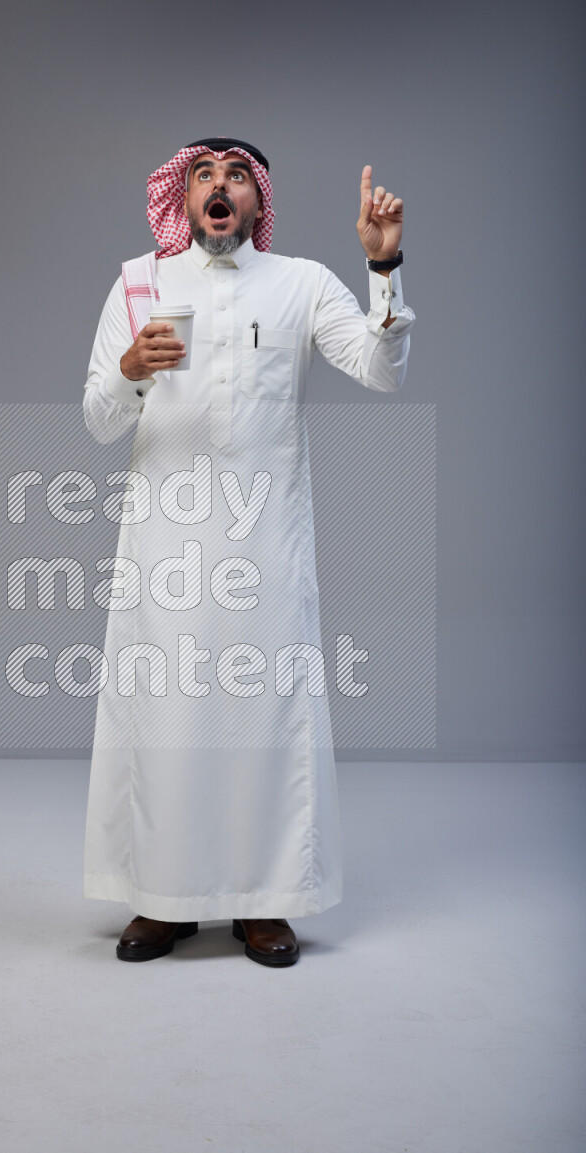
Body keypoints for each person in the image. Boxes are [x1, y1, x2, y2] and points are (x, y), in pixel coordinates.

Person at [81, 137, 415, 967]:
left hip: (267, 547)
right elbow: (97, 418)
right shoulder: (140, 283)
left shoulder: (300, 283)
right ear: (183, 198)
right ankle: (162, 899)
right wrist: (130, 368)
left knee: (265, 718)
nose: (219, 186)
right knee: (167, 717)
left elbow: (381, 370)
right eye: (204, 175)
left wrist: (384, 267)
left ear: (258, 201)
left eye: (236, 175)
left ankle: (265, 902)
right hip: (165, 549)